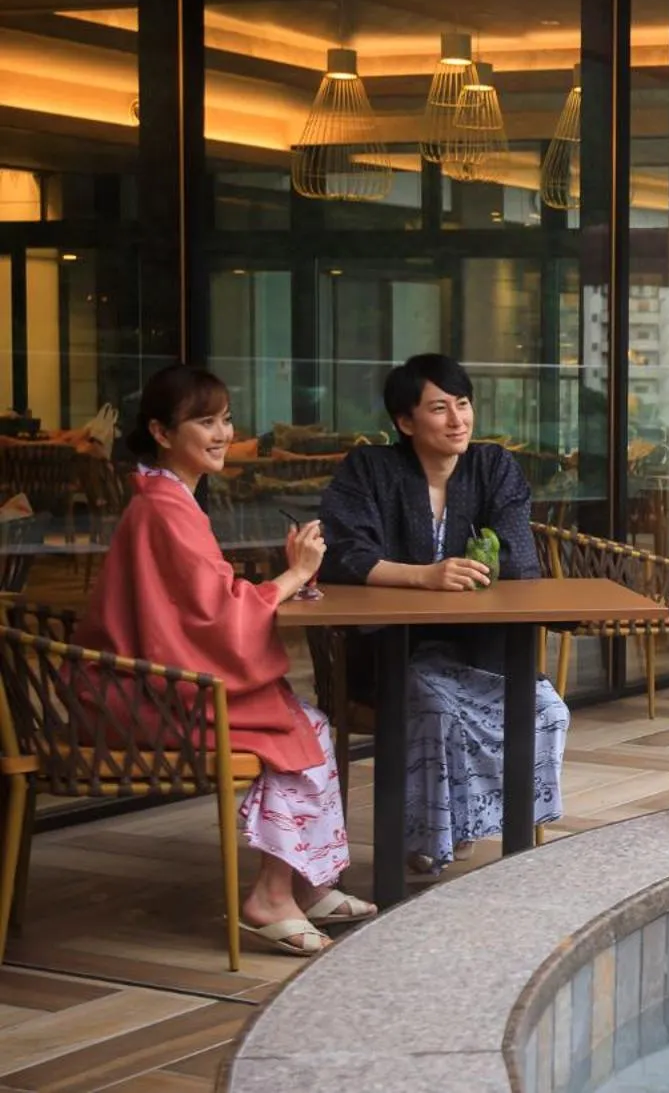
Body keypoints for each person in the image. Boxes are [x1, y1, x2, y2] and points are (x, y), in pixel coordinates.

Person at [75, 365, 375, 956]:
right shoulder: (165, 507)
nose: (221, 434)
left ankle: (307, 884)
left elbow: (204, 606)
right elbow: (215, 619)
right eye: (204, 421)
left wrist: (283, 580)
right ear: (162, 432)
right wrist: (294, 575)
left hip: (143, 684)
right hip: (150, 698)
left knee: (306, 721)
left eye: (226, 420)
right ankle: (271, 895)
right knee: (298, 731)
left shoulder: (166, 498)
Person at [317, 353, 570, 875]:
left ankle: (480, 826)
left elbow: (518, 557)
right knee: (434, 707)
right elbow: (341, 554)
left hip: (480, 648)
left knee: (549, 710)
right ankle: (429, 839)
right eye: (439, 408)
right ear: (405, 422)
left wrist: (460, 571)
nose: (458, 420)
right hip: (394, 649)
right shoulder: (371, 470)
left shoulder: (493, 466)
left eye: (463, 404)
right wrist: (424, 575)